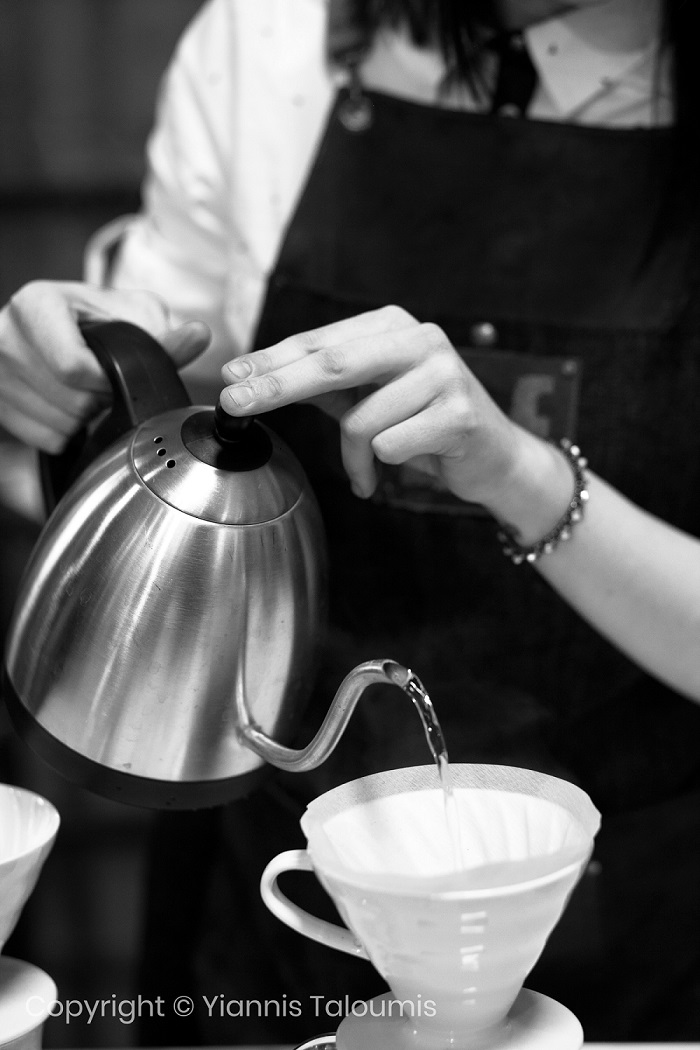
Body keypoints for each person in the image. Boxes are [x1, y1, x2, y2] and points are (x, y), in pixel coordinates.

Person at [1, 0, 700, 1043]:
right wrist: (75, 371)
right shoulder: (272, 40)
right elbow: (173, 374)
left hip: (633, 911)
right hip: (278, 879)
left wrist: (518, 474)